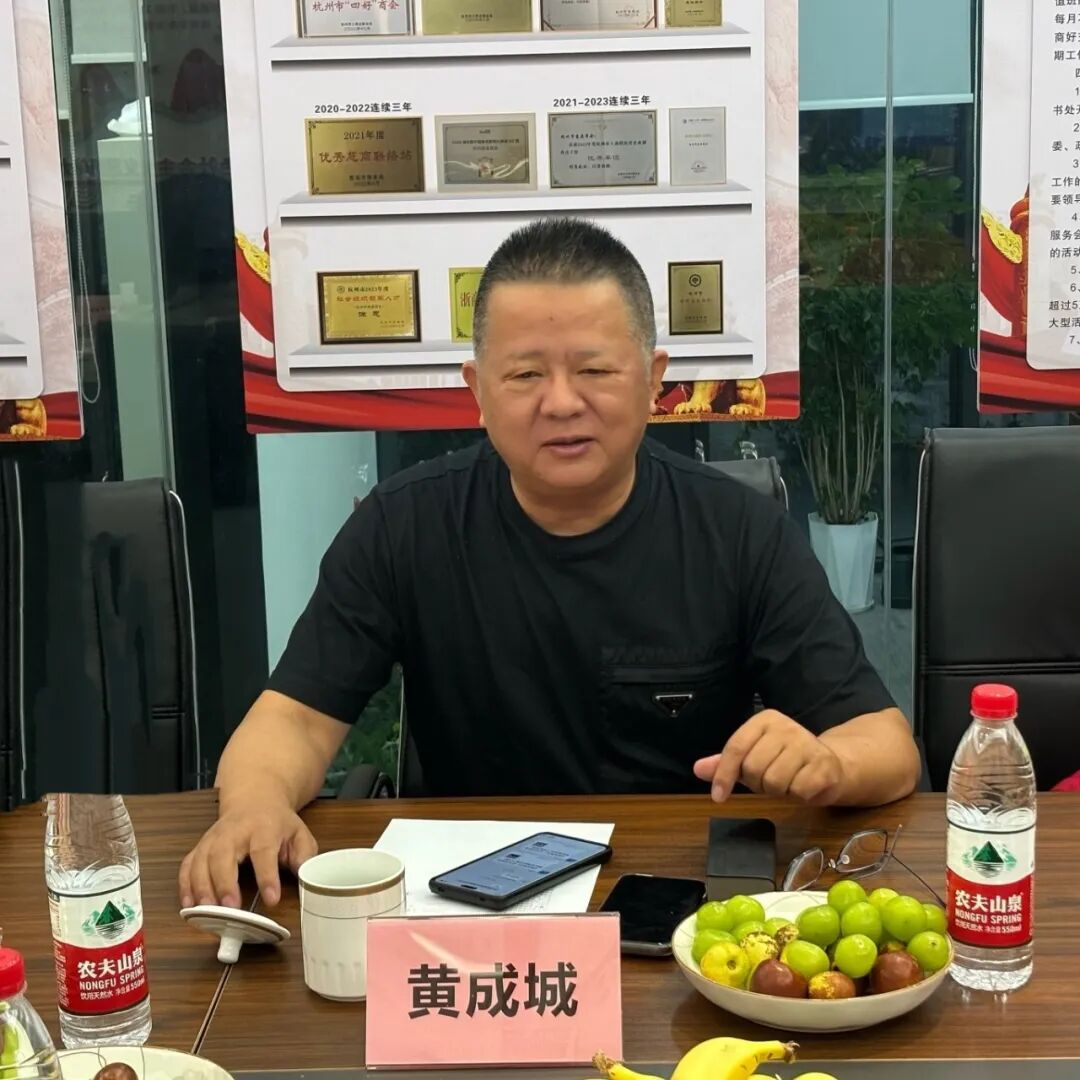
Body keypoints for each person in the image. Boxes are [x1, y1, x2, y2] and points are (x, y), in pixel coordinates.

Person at [179, 218, 921, 909]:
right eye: (526, 375)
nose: (562, 403)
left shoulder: (738, 531)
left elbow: (887, 748)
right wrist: (254, 807)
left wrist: (827, 764)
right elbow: (294, 719)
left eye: (594, 369)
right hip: (469, 902)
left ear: (653, 380)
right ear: (477, 391)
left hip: (677, 907)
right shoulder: (403, 526)